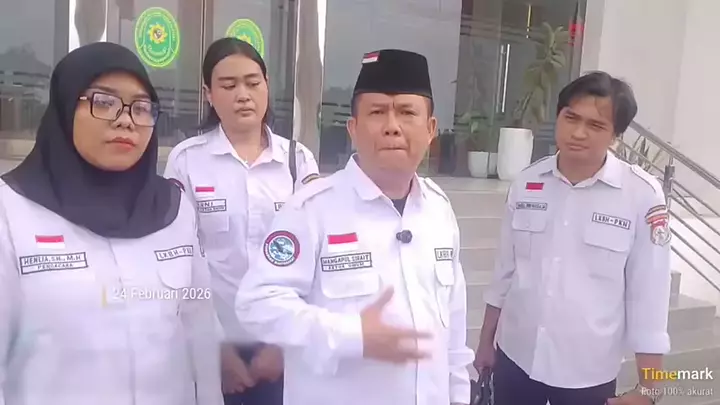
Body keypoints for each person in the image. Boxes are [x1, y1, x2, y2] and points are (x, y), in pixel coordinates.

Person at [234, 49, 474, 405]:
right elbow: (256, 304)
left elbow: (453, 333)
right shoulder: (311, 210)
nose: (392, 125)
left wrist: (458, 396)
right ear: (353, 128)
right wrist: (350, 333)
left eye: (407, 112)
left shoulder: (439, 210)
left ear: (430, 130)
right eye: (377, 112)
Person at [0, 42, 222, 405]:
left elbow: (200, 333)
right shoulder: (11, 212)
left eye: (141, 107)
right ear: (66, 107)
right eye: (103, 102)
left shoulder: (174, 209)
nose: (126, 120)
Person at [474, 71, 671, 405]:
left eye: (595, 125)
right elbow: (504, 272)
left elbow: (650, 299)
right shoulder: (527, 182)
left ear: (615, 135)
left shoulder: (641, 195)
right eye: (571, 118)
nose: (578, 133)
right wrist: (485, 343)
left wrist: (650, 388)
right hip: (515, 359)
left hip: (587, 376)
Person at [163, 37, 319, 405]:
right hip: (212, 345)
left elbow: (316, 259)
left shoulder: (298, 161)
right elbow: (178, 260)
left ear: (267, 85)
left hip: (284, 347)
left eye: (252, 82)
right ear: (209, 94)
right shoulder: (186, 161)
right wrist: (216, 347)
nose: (243, 95)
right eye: (228, 85)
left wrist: (283, 344)